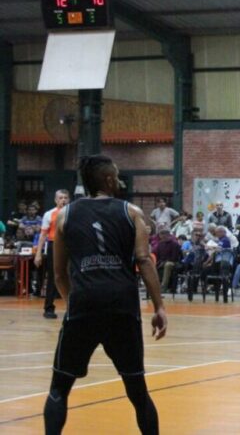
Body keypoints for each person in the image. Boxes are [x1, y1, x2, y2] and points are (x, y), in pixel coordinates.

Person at [45, 155, 166, 435]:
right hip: (122, 305)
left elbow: (59, 274)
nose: (119, 180)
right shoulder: (132, 212)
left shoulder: (65, 215)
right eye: (117, 175)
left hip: (84, 302)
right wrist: (159, 306)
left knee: (59, 388)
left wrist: (74, 303)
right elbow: (143, 260)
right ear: (109, 179)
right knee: (137, 391)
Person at [35, 190, 70, 319]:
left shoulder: (72, 213)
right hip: (53, 245)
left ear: (69, 199)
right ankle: (49, 308)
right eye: (60, 198)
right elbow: (43, 235)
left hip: (70, 245)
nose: (63, 200)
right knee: (53, 277)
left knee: (72, 275)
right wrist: (38, 253)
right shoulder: (49, 214)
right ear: (56, 200)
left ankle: (72, 307)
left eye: (65, 197)